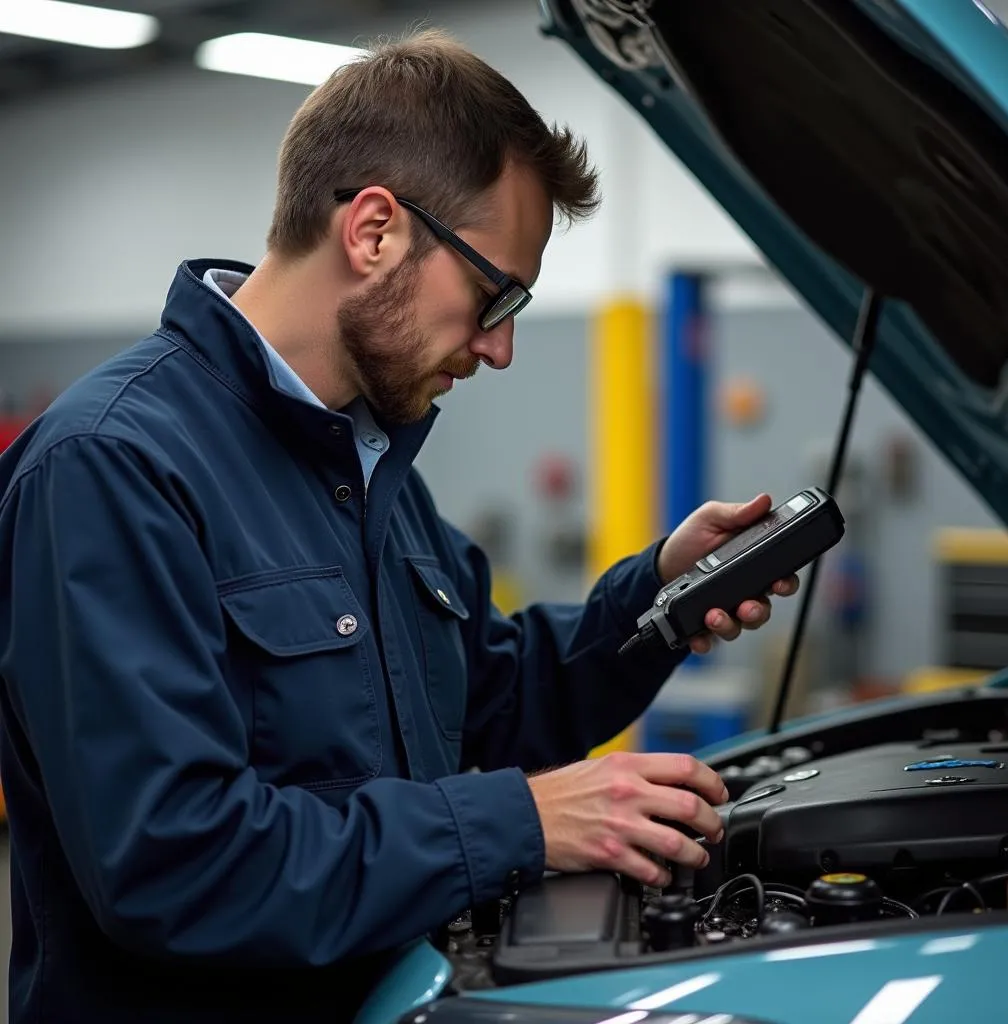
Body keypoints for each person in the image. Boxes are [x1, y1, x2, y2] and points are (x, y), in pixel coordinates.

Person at [0, 29, 798, 1024]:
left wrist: (661, 599)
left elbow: (493, 695)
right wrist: (517, 819)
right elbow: (176, 861)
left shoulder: (370, 463)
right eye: (493, 293)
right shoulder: (113, 466)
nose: (502, 347)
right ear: (374, 230)